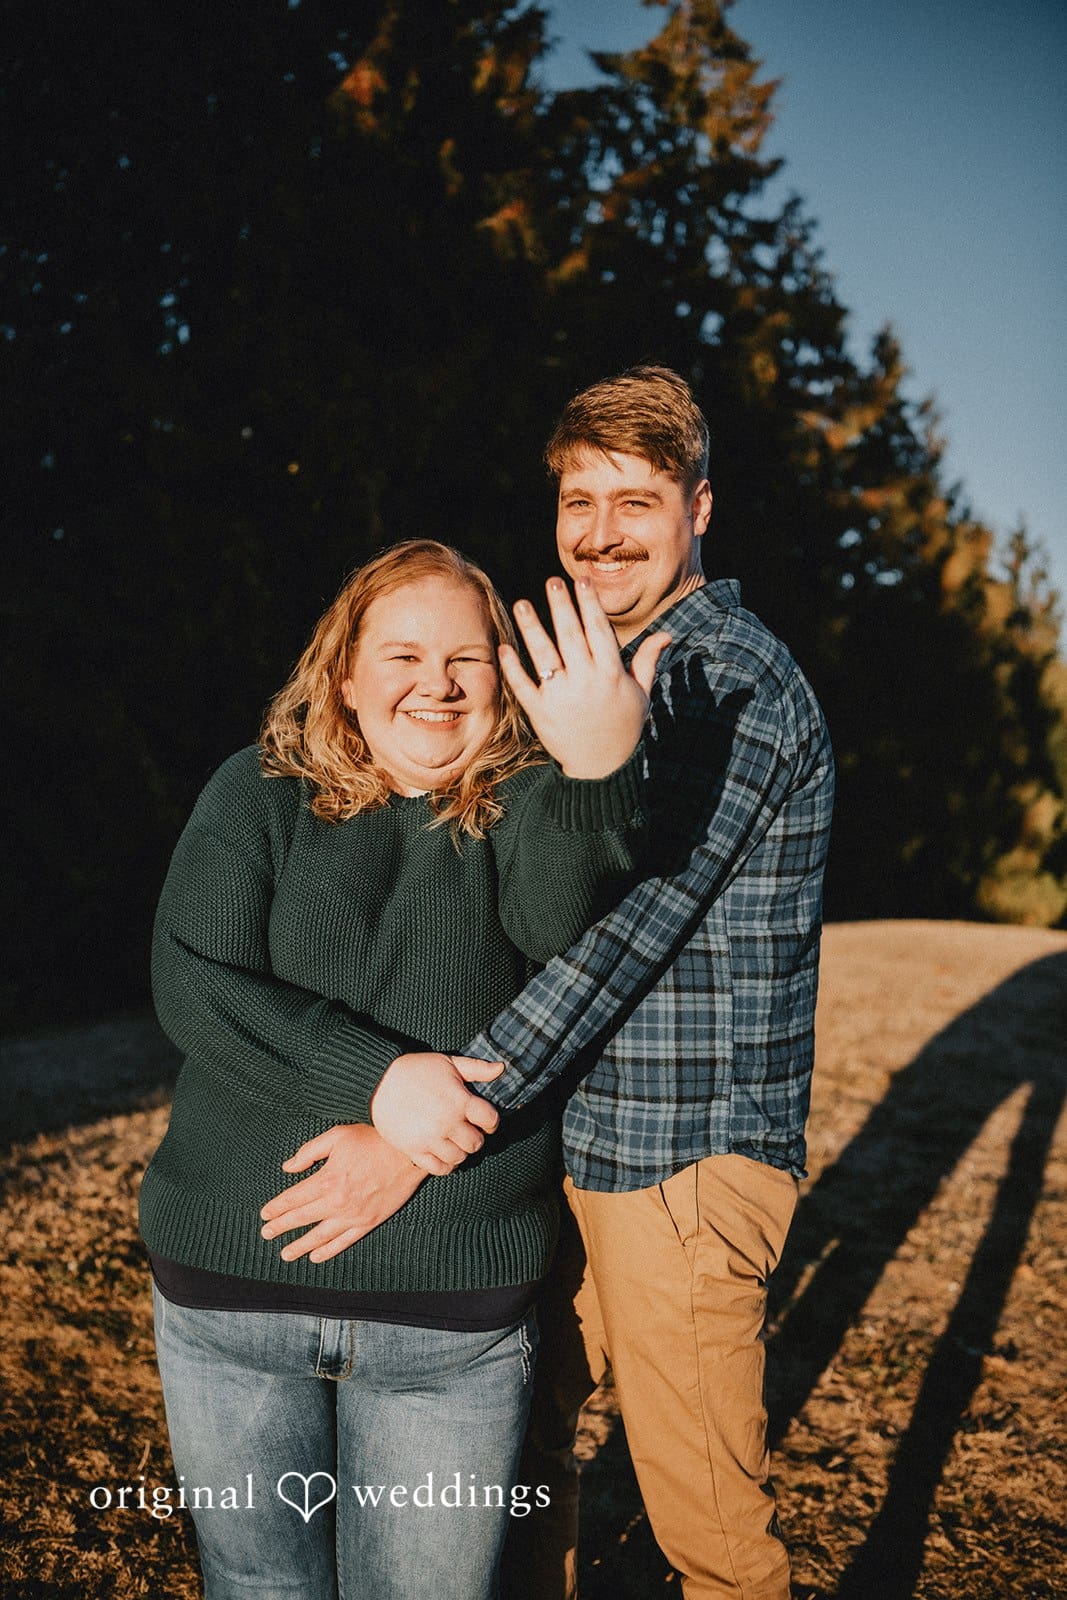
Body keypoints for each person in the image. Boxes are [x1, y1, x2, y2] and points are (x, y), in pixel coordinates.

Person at [310, 368, 835, 1600]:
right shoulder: (599, 667)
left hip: (681, 1164)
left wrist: (435, 1122)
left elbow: (622, 933)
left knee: (708, 1533)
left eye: (635, 499)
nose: (599, 530)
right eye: (576, 497)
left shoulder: (725, 681)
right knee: (523, 1466)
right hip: (574, 1145)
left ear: (698, 506)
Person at [140, 538, 670, 1600]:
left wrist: (596, 770)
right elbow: (192, 978)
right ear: (343, 670)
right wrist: (375, 1078)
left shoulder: (527, 806)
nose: (436, 683)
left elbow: (559, 930)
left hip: (449, 1316)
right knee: (256, 1585)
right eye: (402, 655)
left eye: (467, 659)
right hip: (232, 1298)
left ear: (506, 678)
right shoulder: (255, 792)